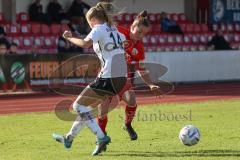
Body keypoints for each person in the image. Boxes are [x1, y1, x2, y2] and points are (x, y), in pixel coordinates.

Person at [52, 2, 128, 156]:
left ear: (92, 19)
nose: (89, 25)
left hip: (109, 77)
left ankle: (101, 137)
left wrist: (70, 37)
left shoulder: (98, 29)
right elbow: (121, 45)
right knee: (85, 109)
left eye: (89, 22)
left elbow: (85, 44)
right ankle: (69, 138)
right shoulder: (116, 31)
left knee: (78, 106)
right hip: (121, 78)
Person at [97, 11, 160, 141]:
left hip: (122, 80)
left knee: (131, 100)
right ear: (132, 27)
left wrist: (150, 84)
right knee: (102, 112)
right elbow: (103, 28)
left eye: (144, 34)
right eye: (139, 32)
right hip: (106, 76)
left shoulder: (139, 48)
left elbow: (141, 68)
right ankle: (101, 136)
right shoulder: (118, 32)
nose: (141, 36)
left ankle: (128, 124)